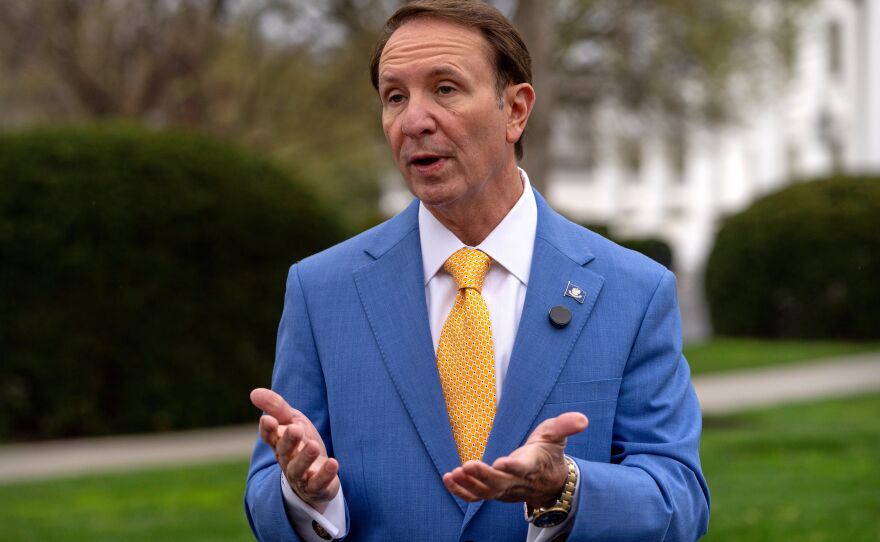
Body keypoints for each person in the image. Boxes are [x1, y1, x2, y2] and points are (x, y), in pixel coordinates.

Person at [245, 1, 709, 540]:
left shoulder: (634, 291)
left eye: (445, 89)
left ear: (515, 110)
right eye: (395, 97)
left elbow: (679, 501)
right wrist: (305, 496)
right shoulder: (321, 290)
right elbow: (265, 493)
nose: (414, 121)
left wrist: (565, 488)